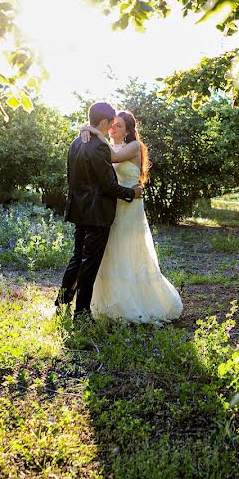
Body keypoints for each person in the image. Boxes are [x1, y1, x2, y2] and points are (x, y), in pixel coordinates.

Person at [79, 111, 183, 323]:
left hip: (130, 206)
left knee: (127, 251)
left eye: (118, 126)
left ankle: (134, 304)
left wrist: (94, 132)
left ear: (128, 130)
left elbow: (115, 158)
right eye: (112, 125)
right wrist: (88, 131)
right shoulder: (107, 144)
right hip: (112, 206)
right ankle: (109, 303)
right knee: (110, 252)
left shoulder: (134, 147)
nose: (113, 128)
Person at [57, 102, 142, 316]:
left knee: (77, 257)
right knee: (90, 264)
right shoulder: (100, 146)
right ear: (103, 122)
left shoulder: (76, 143)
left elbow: (72, 179)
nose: (111, 127)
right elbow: (108, 185)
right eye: (110, 123)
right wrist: (132, 193)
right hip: (97, 214)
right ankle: (82, 313)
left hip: (79, 210)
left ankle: (61, 303)